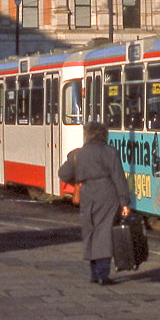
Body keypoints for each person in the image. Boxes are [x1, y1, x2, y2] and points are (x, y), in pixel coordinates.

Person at [58, 122, 131, 285]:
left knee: (90, 231)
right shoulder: (110, 152)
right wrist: (124, 202)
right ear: (104, 134)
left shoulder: (77, 154)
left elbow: (63, 173)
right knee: (104, 232)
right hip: (107, 194)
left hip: (87, 193)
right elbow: (119, 179)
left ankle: (93, 274)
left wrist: (77, 181)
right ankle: (103, 275)